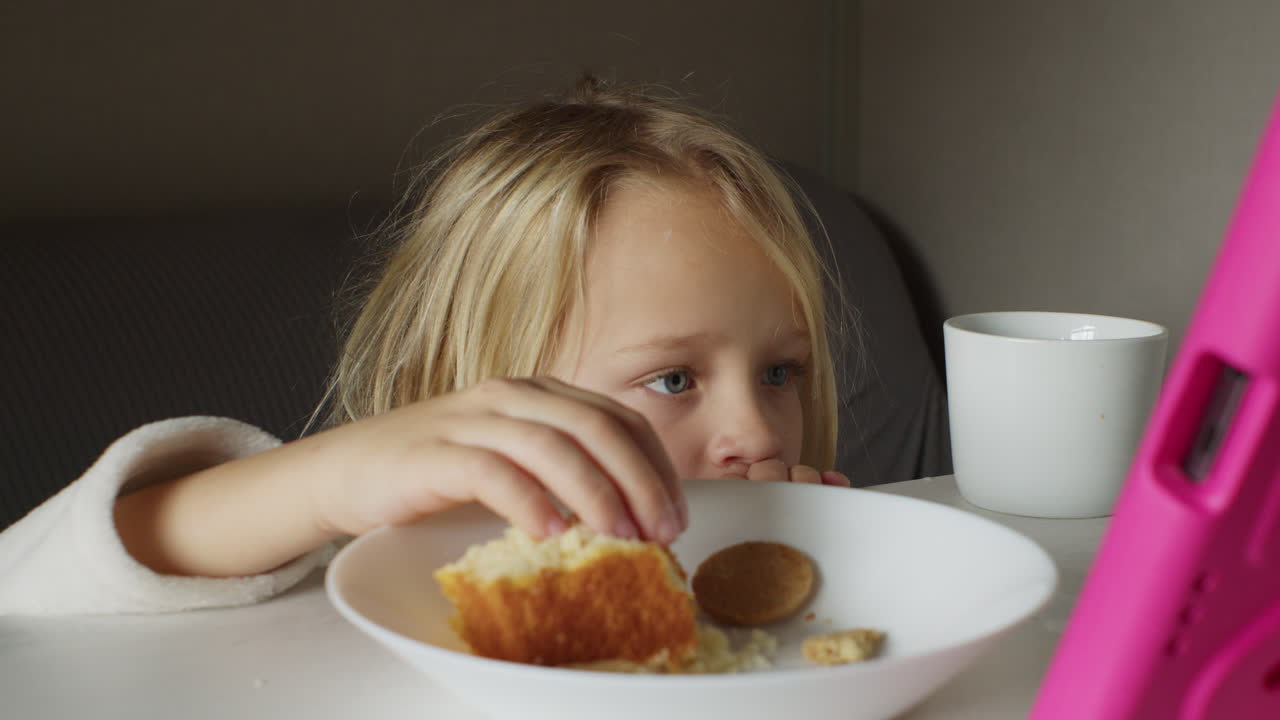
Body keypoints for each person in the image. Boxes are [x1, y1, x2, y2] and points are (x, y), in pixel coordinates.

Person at [0, 75, 851, 615]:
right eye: (673, 379)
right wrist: (327, 482)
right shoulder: (374, 576)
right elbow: (32, 587)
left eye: (780, 371)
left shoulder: (797, 559)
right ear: (481, 389)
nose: (760, 432)